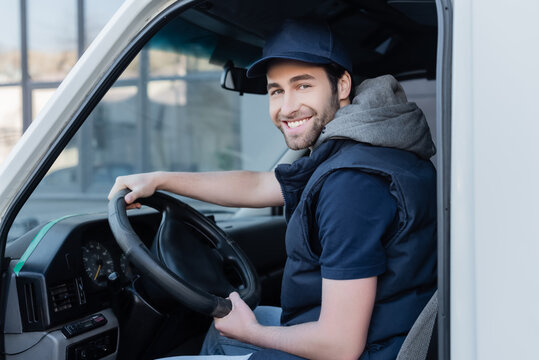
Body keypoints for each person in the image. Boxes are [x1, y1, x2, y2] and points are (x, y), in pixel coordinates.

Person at [109, 19, 437, 360]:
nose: (287, 107)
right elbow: (261, 183)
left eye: (304, 85)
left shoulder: (351, 184)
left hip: (364, 349)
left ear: (342, 86)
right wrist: (161, 180)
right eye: (276, 90)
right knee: (219, 331)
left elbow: (340, 345)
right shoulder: (377, 147)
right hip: (389, 333)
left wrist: (253, 333)